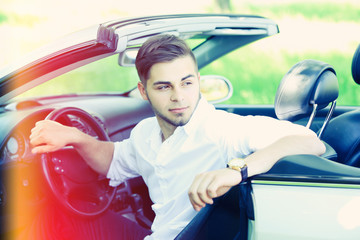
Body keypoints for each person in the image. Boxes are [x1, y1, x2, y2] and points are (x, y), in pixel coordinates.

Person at [29, 34, 325, 240]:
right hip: (157, 234)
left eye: (186, 83)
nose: (179, 97)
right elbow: (115, 161)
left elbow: (310, 142)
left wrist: (237, 170)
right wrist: (76, 137)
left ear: (198, 81)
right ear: (143, 91)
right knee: (56, 216)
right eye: (163, 87)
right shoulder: (144, 133)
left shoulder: (221, 130)